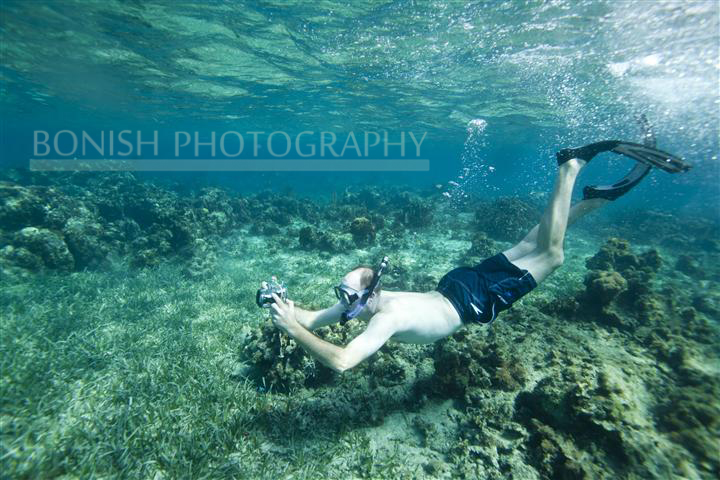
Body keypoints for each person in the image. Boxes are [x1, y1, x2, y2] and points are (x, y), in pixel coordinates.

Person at [268, 139, 689, 373]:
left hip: (472, 299)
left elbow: (342, 361)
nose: (341, 304)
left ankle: (570, 167)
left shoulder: (385, 318)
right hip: (458, 284)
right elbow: (309, 318)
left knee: (552, 254)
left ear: (367, 296)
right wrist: (286, 309)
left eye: (346, 296)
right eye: (340, 295)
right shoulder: (367, 301)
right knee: (531, 245)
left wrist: (292, 331)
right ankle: (593, 202)